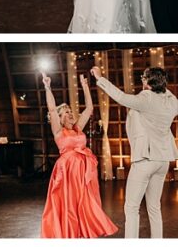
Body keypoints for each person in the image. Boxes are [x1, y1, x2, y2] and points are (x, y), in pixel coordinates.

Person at [92, 66, 178, 239]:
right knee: (154, 207)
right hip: (163, 160)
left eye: (144, 77)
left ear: (148, 81)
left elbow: (120, 97)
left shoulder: (146, 98)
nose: (141, 80)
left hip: (145, 159)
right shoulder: (171, 101)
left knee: (131, 207)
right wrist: (161, 87)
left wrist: (99, 78)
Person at [39, 72, 118, 238]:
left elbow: (89, 109)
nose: (70, 113)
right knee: (69, 202)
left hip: (83, 170)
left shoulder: (77, 128)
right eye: (66, 112)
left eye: (70, 111)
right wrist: (47, 87)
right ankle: (69, 231)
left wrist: (85, 87)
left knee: (84, 201)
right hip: (67, 171)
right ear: (59, 118)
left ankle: (84, 229)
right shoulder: (58, 131)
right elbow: (52, 109)